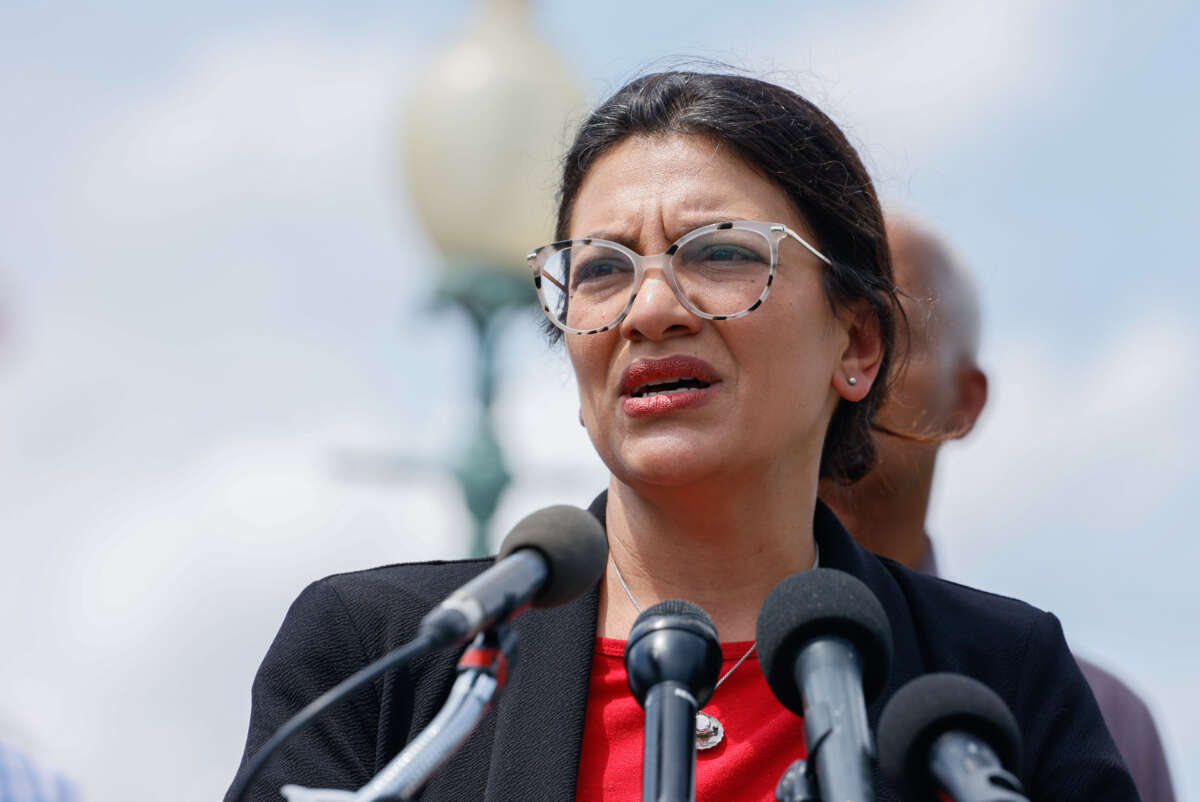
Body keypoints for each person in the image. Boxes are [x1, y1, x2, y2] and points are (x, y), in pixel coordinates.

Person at [226, 71, 1138, 801]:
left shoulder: (1000, 679)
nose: (650, 310)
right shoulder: (387, 660)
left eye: (721, 252)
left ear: (856, 342)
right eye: (601, 270)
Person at [821, 214, 1176, 802]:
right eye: (821, 329)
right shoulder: (677, 673)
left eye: (881, 332)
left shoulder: (1087, 716)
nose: (844, 368)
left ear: (964, 402)